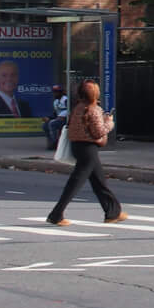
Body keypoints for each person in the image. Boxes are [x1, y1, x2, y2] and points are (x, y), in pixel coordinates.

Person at [46, 81, 123, 225]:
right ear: (95, 94)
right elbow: (98, 132)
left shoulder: (78, 107)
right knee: (75, 183)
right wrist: (109, 122)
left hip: (78, 146)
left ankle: (112, 212)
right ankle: (56, 215)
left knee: (99, 181)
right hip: (88, 149)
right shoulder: (93, 109)